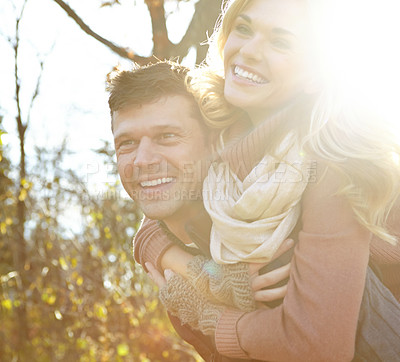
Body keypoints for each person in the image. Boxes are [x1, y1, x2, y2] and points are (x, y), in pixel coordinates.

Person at [138, 0, 400, 360]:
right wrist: (201, 274)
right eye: (243, 29)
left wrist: (214, 317)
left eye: (281, 42)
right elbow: (155, 208)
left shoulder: (334, 163)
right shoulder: (218, 130)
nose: (249, 51)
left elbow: (317, 346)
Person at [107, 61, 293, 361]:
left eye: (166, 136)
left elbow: (315, 345)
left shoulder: (267, 218)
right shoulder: (174, 276)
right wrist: (204, 288)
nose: (142, 160)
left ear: (213, 142)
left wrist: (211, 311)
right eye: (127, 143)